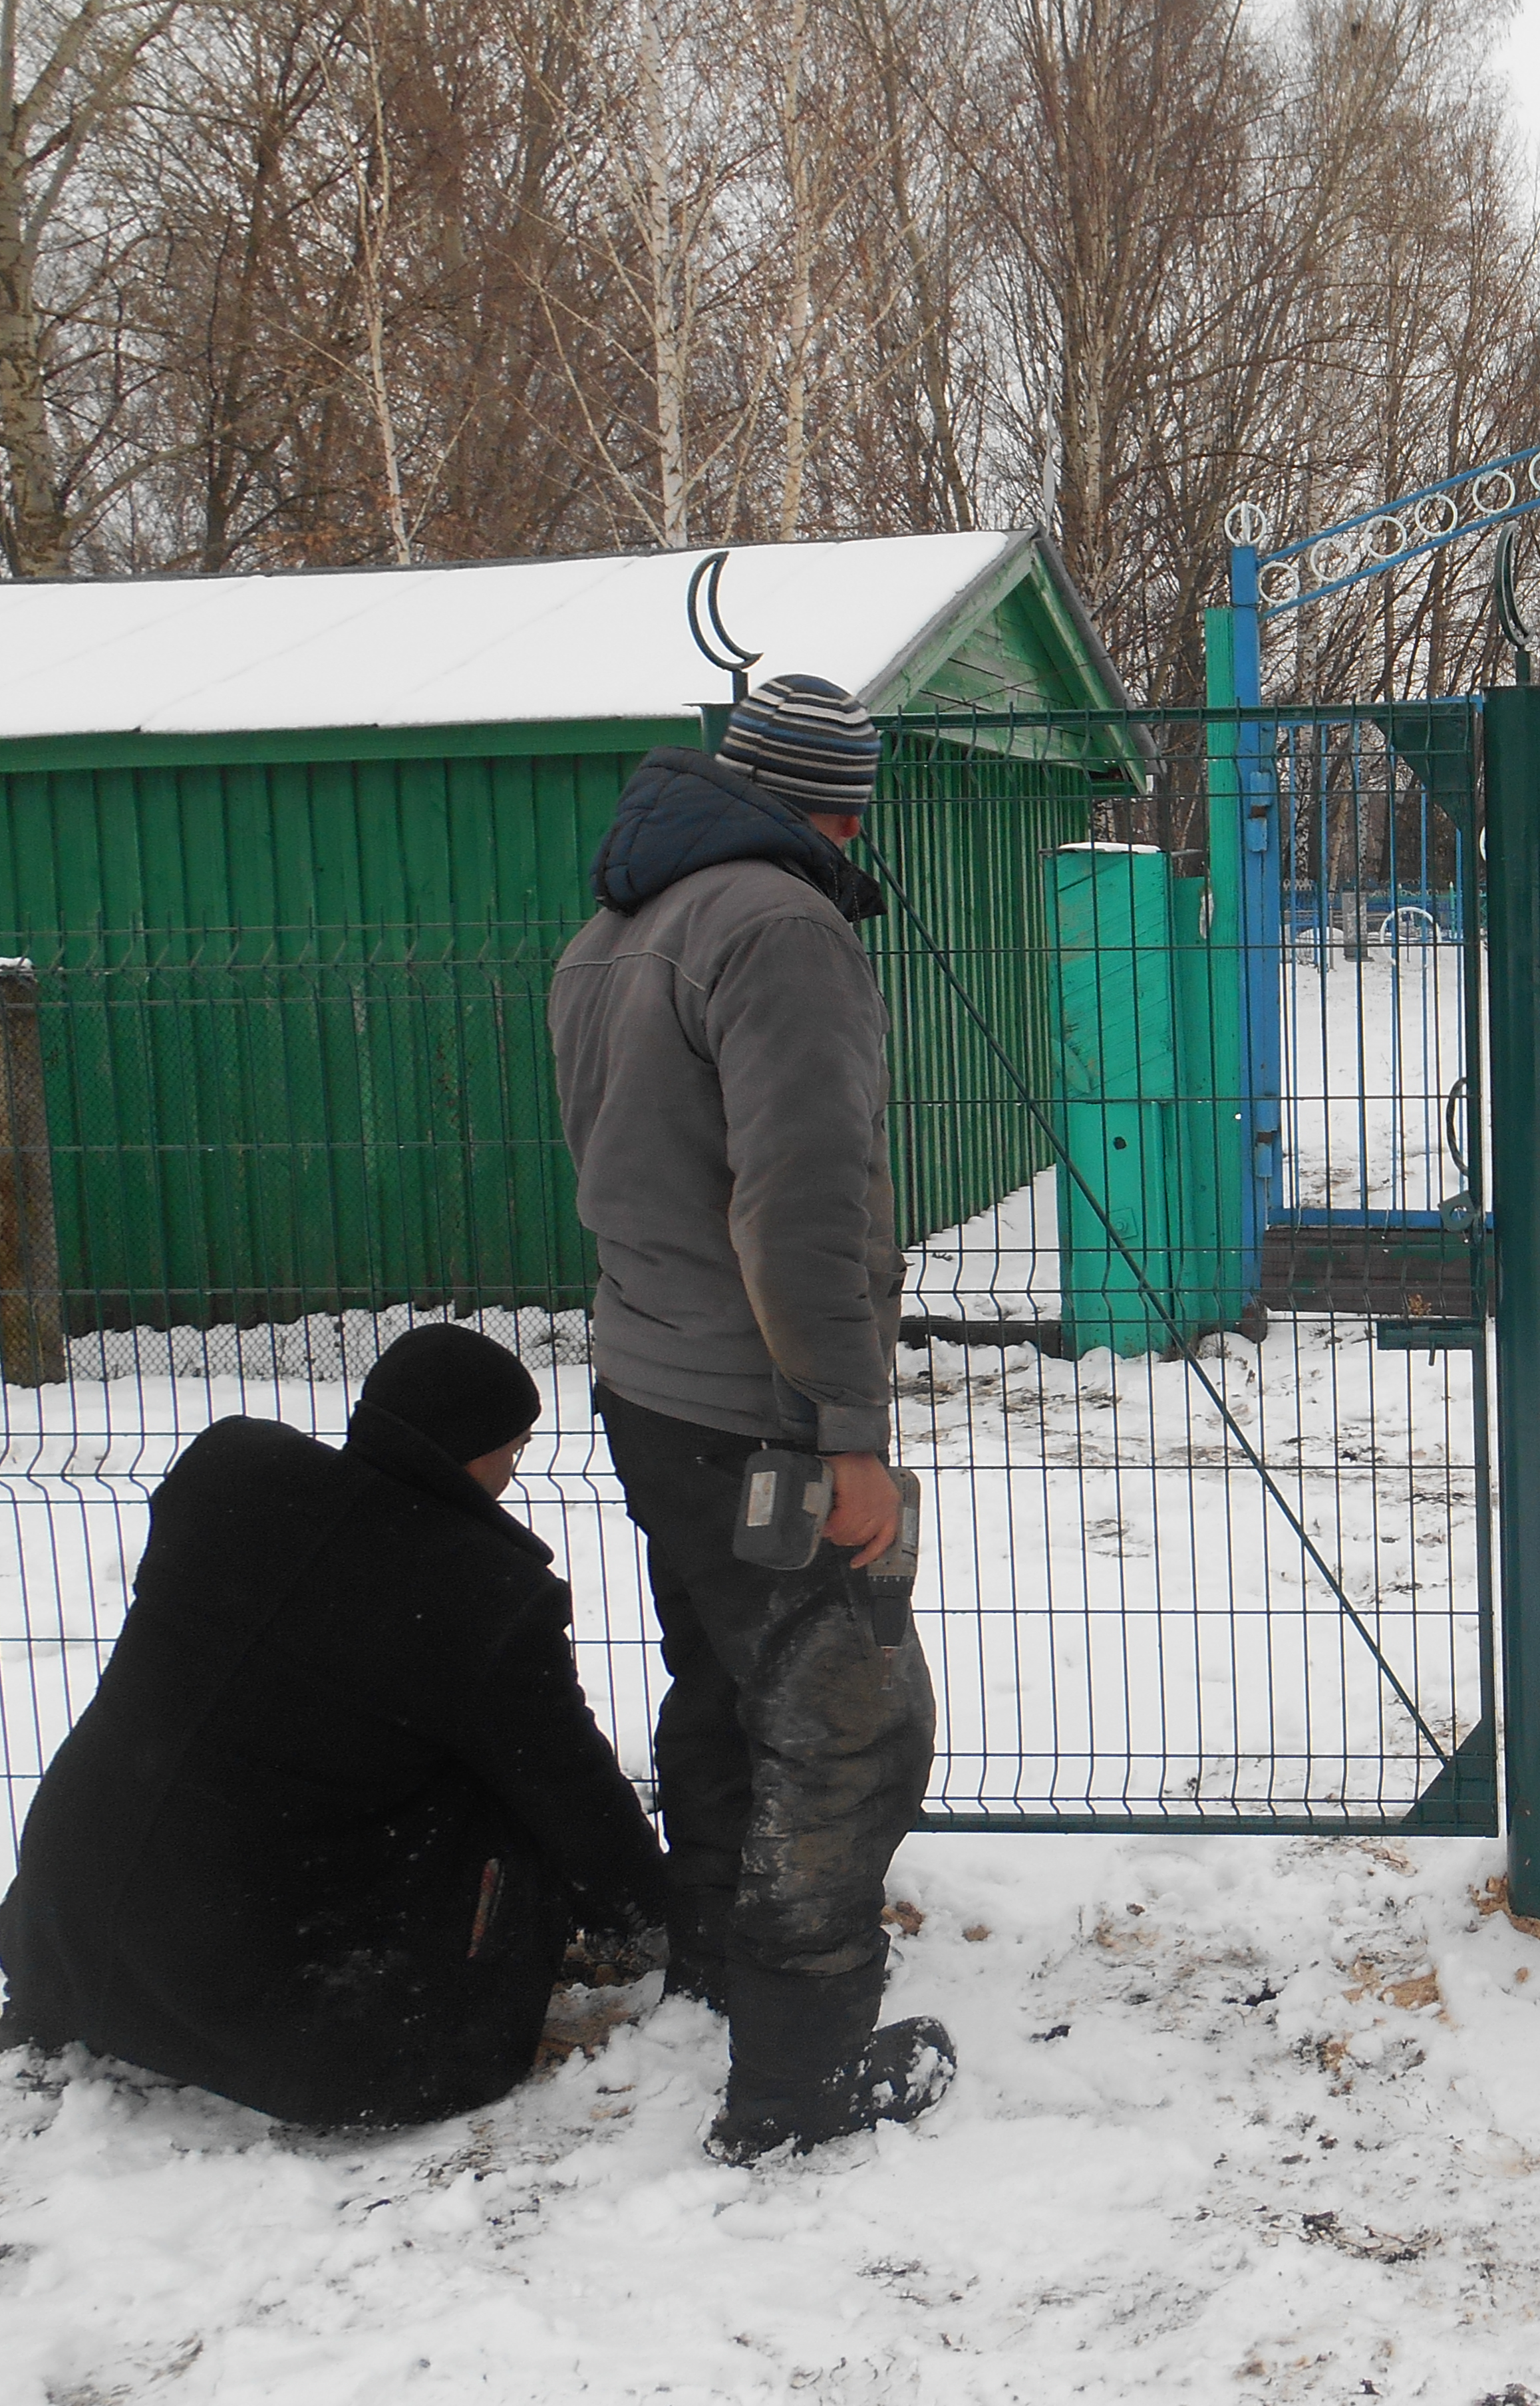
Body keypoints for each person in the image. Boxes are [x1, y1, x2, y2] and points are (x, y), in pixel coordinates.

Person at [548, 670, 951, 2163]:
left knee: (723, 1685)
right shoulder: (782, 931)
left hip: (649, 1383)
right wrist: (844, 1432)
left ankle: (716, 1955)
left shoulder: (612, 934)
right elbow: (801, 1201)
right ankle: (797, 2083)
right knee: (848, 1729)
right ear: (838, 801)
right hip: (759, 1405)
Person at [0, 1325, 669, 2128]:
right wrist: (660, 1917)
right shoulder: (483, 1595)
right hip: (251, 1988)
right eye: (510, 1450)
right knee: (495, 1781)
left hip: (67, 1929)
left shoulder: (230, 1472)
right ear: (466, 1447)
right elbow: (568, 1787)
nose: (511, 1476)